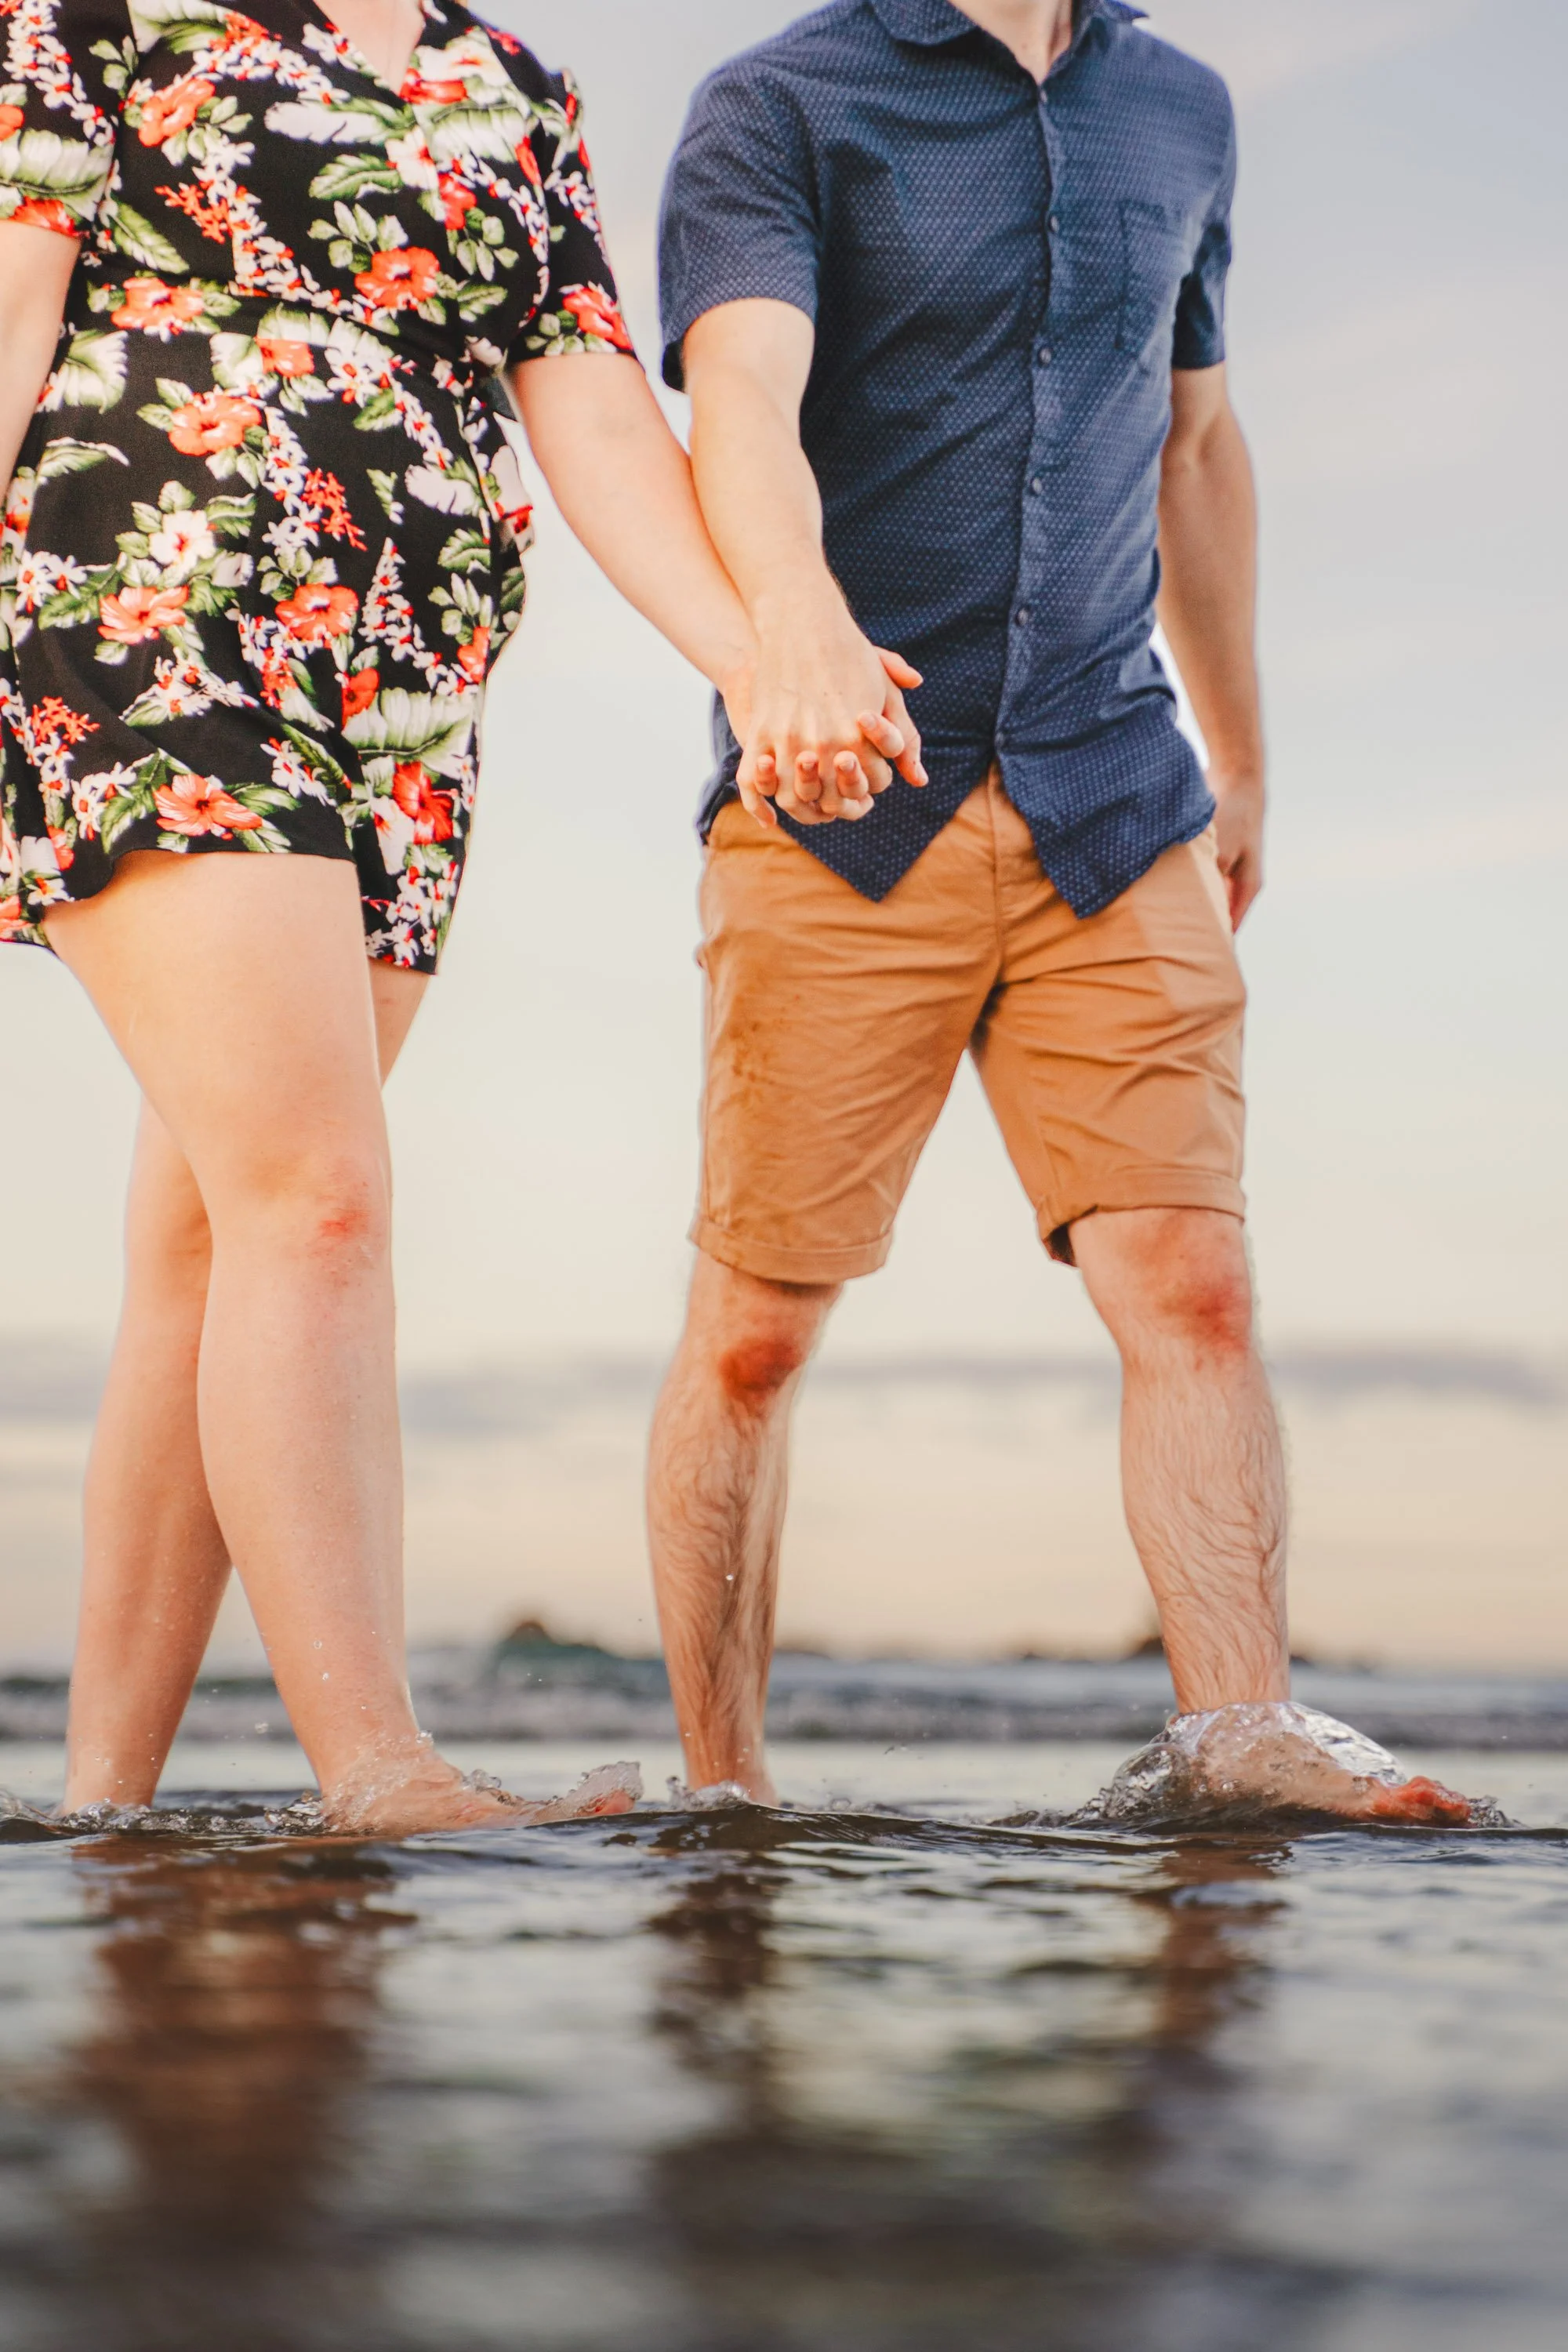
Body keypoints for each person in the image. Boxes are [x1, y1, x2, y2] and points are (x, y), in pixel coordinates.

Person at [0, 0, 917, 1831]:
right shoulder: (86, 18)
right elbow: (10, 317)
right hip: (152, 611)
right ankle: (377, 1765)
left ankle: (102, 1808)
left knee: (215, 1237)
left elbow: (593, 428)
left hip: (401, 698)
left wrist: (758, 670)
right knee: (316, 1199)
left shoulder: (512, 91)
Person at [645, 0, 1465, 1821]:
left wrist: (1240, 756)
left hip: (1115, 790)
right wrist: (789, 628)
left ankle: (1244, 1735)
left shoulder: (1178, 108)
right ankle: (727, 1794)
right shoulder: (778, 104)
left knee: (1193, 1281)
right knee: (757, 1329)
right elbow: (745, 408)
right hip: (849, 797)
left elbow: (1196, 447)